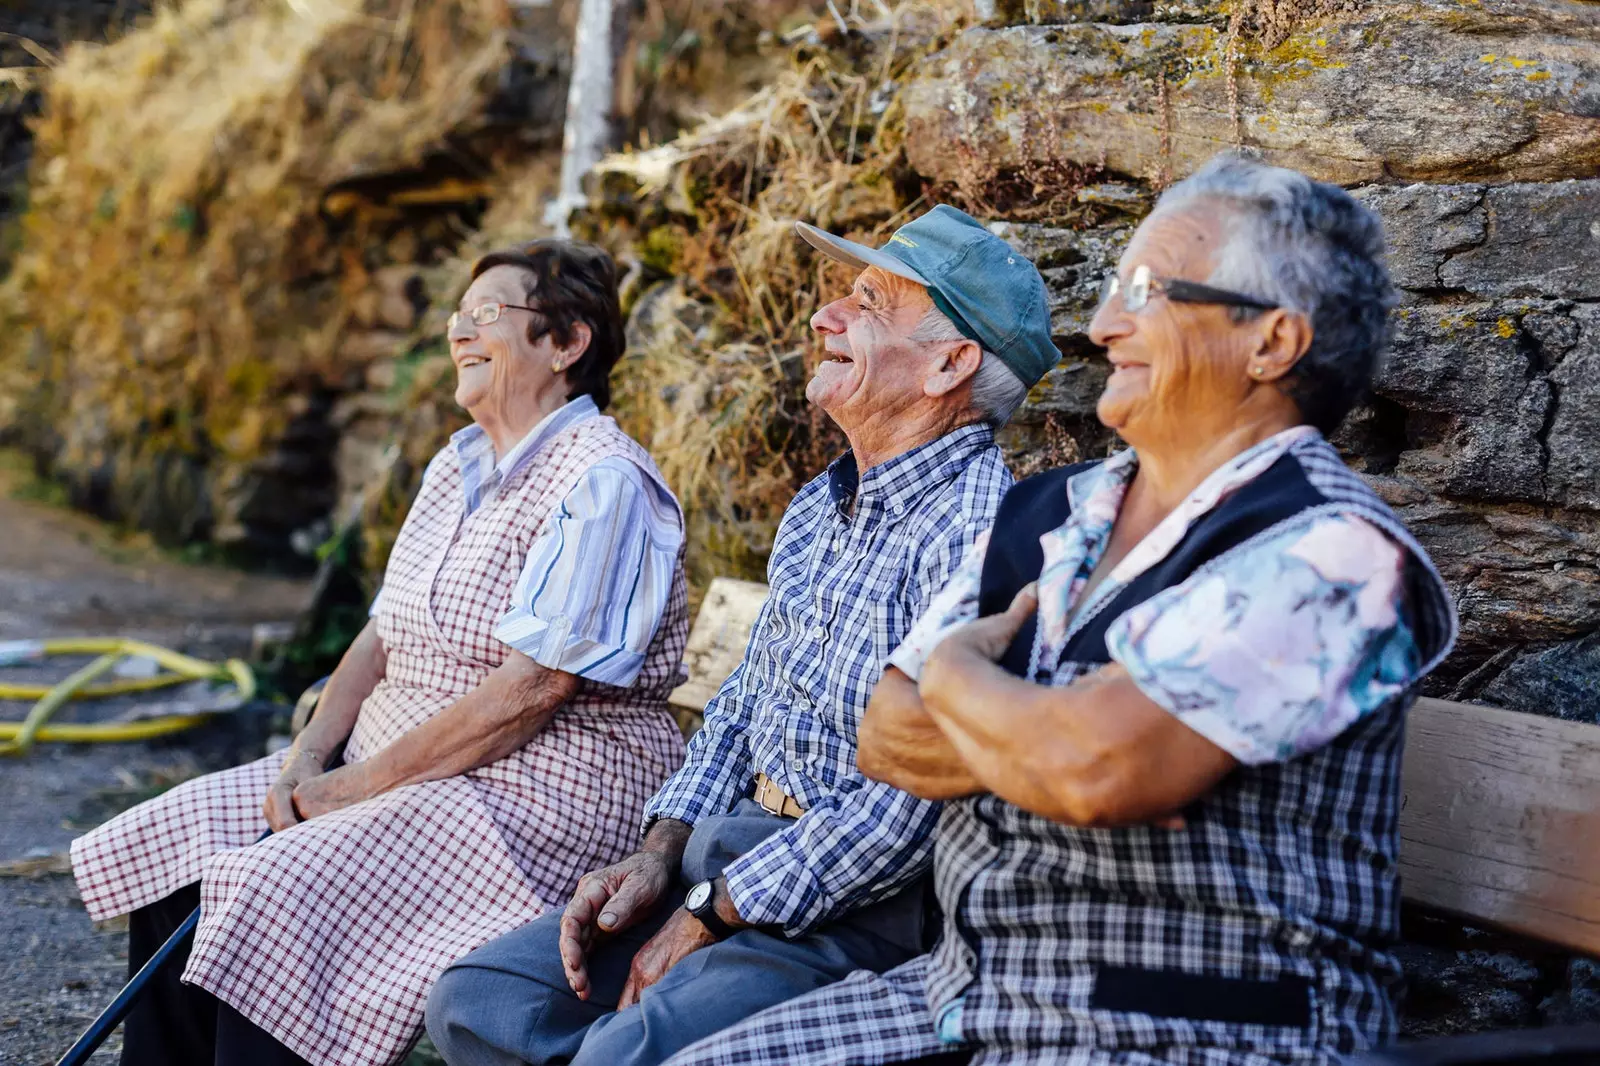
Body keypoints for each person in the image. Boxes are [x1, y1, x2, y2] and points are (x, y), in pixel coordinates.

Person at [658, 153, 1460, 1066]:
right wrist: (1046, 730)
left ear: (1271, 343)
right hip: (966, 991)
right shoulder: (1054, 511)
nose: (1104, 323)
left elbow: (1094, 767)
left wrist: (961, 674)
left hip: (1192, 1026)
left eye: (1149, 290)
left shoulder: (1333, 549)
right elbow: (888, 737)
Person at [424, 205, 1061, 1066]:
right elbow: (740, 708)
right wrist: (660, 856)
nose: (823, 317)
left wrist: (713, 908)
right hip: (726, 856)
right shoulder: (821, 505)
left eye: (869, 306)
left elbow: (913, 807)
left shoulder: (982, 533)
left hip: (855, 908)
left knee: (623, 1054)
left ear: (951, 364)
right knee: (481, 998)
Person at [69, 240, 692, 1066]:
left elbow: (532, 690)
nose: (460, 333)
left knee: (274, 893)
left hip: (535, 795)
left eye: (489, 315)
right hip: (408, 766)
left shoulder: (603, 480)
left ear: (567, 343)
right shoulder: (457, 465)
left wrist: (354, 788)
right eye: (455, 319)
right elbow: (381, 634)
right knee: (182, 843)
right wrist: (308, 756)